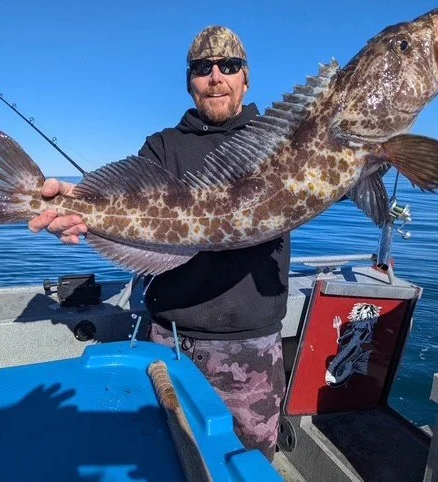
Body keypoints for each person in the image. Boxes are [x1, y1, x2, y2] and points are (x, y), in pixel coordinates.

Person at [28, 26, 289, 461]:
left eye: (229, 66)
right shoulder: (162, 147)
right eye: (203, 68)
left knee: (250, 461)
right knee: (169, 458)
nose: (216, 76)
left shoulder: (279, 142)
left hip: (252, 347)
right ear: (190, 81)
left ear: (246, 78)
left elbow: (330, 181)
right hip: (168, 340)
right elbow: (121, 205)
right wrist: (73, 209)